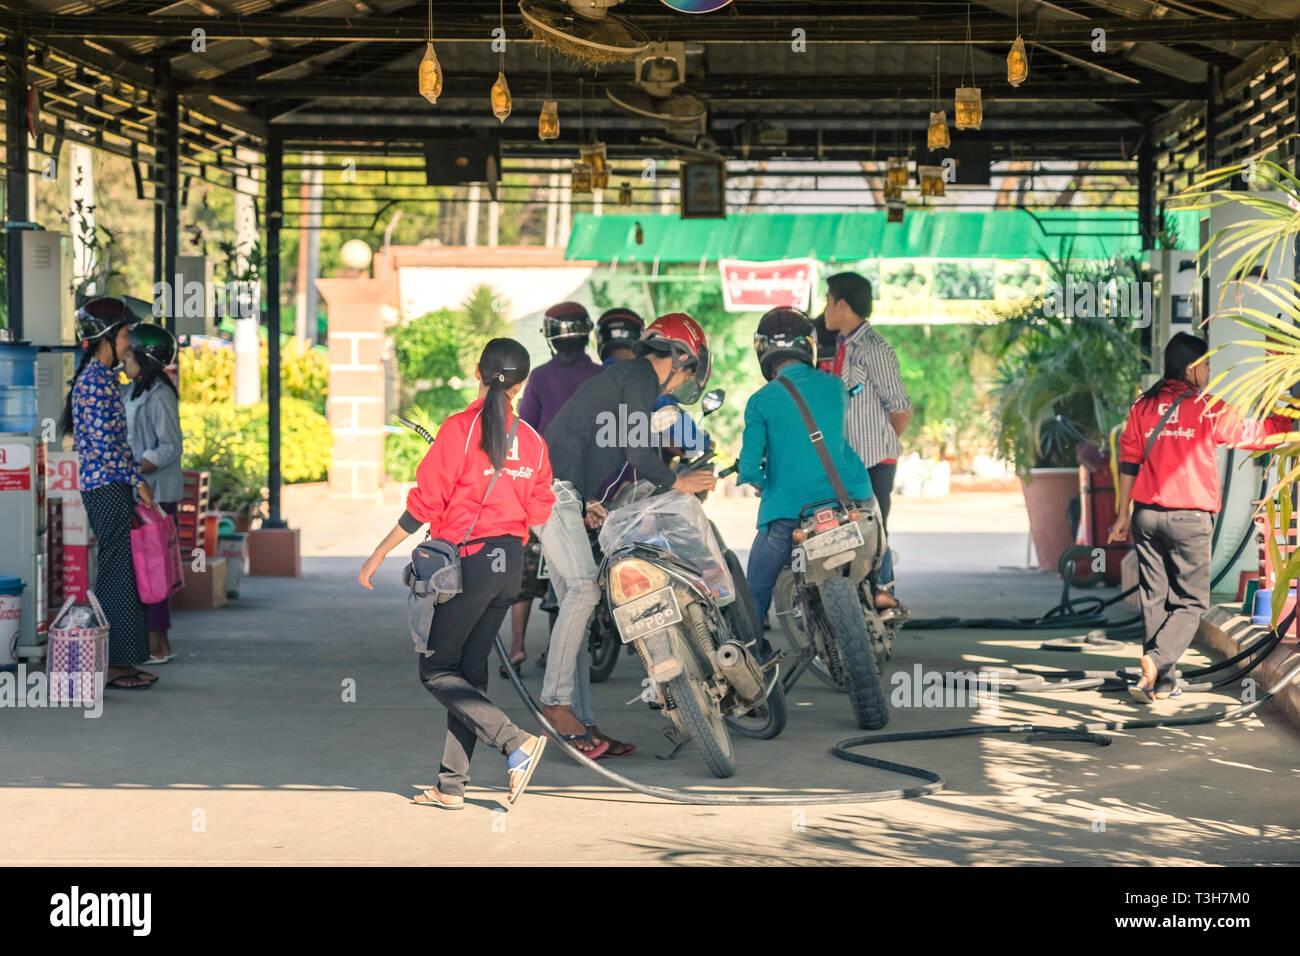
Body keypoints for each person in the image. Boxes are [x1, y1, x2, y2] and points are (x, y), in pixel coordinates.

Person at [359, 338, 555, 808]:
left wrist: (379, 553)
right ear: (522, 384)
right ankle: (451, 786)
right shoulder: (532, 439)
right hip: (509, 567)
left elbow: (425, 503)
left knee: (435, 670)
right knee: (469, 674)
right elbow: (542, 507)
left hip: (469, 563)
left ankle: (515, 743)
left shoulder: (460, 430)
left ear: (477, 371)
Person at [538, 313, 717, 758]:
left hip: (565, 493)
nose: (680, 385)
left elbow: (598, 445)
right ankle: (554, 706)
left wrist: (590, 504)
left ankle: (581, 725)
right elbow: (639, 450)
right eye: (687, 372)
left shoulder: (625, 380)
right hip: (550, 490)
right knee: (583, 591)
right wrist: (680, 483)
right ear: (678, 357)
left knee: (574, 615)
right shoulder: (637, 376)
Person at [1109, 332, 1293, 703]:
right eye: (1207, 365)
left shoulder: (1141, 407)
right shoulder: (1208, 408)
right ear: (1191, 369)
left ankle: (1159, 683)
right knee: (1190, 602)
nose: (1210, 371)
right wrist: (1286, 417)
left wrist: (1121, 515)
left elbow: (1129, 460)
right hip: (1189, 517)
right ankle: (1158, 661)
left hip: (1146, 516)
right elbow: (1253, 435)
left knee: (1155, 597)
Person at [739, 307, 873, 626]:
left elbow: (748, 465)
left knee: (755, 587)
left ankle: (754, 655)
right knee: (875, 528)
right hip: (849, 498)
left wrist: (757, 480)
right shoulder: (836, 386)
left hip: (790, 513)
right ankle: (883, 588)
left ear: (764, 351)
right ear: (808, 347)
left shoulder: (760, 401)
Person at [61, 297, 157, 691]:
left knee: (123, 572)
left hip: (111, 486)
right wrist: (138, 480)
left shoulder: (101, 379)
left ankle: (125, 660)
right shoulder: (94, 383)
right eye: (123, 335)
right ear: (105, 337)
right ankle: (112, 664)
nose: (127, 344)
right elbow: (107, 448)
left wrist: (132, 480)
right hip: (107, 487)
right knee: (116, 574)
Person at [507, 302, 604, 676]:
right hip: (593, 491)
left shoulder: (541, 379)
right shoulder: (601, 376)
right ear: (587, 335)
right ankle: (562, 653)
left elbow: (526, 429)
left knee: (528, 569)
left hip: (545, 488)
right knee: (580, 575)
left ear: (549, 338)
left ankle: (516, 648)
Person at [822, 272, 910, 614]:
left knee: (874, 524)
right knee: (848, 527)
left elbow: (899, 408)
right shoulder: (842, 346)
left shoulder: (875, 349)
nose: (825, 309)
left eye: (828, 300)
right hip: (846, 459)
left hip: (875, 458)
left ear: (843, 304)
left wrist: (879, 443)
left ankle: (882, 590)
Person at [122, 323, 183, 665]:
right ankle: (156, 641)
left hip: (155, 494)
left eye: (129, 354)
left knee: (153, 568)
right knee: (146, 567)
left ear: (143, 359)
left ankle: (158, 643)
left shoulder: (159, 394)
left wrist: (136, 468)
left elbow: (170, 446)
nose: (123, 360)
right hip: (141, 489)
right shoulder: (135, 390)